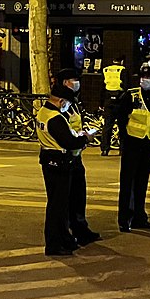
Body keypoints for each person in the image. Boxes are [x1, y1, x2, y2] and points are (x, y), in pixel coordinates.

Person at [36, 84, 92, 256]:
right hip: (59, 163)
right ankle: (54, 244)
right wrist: (85, 139)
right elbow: (69, 142)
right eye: (66, 102)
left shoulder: (42, 112)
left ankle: (64, 240)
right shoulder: (55, 118)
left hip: (49, 160)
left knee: (56, 205)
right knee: (58, 207)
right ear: (61, 101)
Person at [55, 68, 101, 246]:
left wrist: (83, 135)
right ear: (65, 82)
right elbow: (62, 131)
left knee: (78, 195)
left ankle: (80, 228)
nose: (77, 83)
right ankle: (68, 233)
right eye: (74, 80)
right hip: (65, 157)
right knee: (66, 199)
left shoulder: (73, 102)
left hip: (76, 155)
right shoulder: (61, 103)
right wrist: (82, 137)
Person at [117, 64, 150, 232]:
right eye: (143, 78)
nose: (145, 81)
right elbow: (121, 118)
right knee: (127, 182)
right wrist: (124, 139)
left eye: (149, 78)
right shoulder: (131, 95)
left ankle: (139, 217)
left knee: (142, 183)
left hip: (149, 144)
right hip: (132, 143)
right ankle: (124, 219)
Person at [101, 55, 128, 156]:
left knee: (107, 126)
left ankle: (105, 149)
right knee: (122, 127)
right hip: (120, 101)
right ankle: (122, 149)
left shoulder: (106, 70)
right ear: (121, 61)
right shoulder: (123, 70)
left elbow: (102, 87)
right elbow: (126, 86)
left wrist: (101, 103)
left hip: (108, 100)